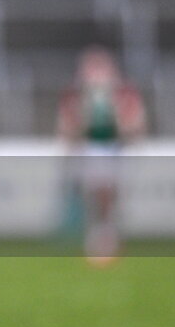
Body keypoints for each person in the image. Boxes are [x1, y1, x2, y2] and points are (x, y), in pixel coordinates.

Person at [57, 46, 145, 265]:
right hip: (88, 149)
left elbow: (136, 123)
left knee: (110, 194)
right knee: (93, 195)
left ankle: (108, 238)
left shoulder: (124, 93)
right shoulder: (75, 95)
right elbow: (66, 126)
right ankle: (97, 239)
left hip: (115, 148)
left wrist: (123, 130)